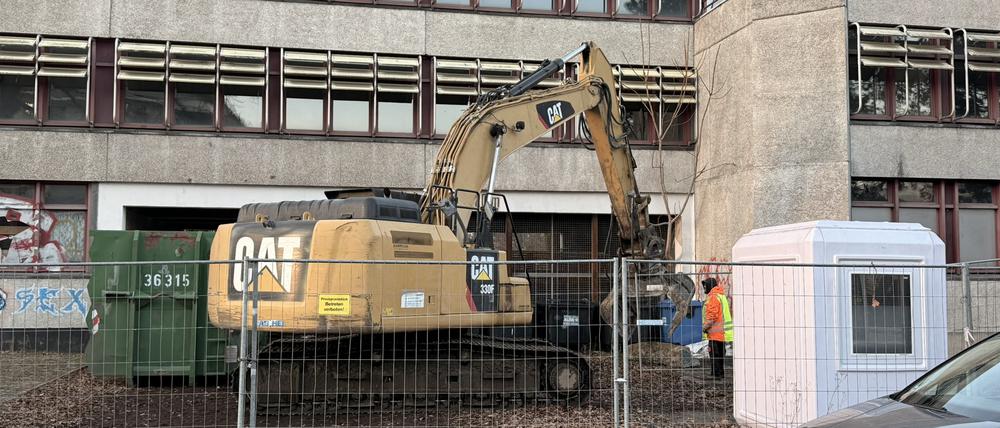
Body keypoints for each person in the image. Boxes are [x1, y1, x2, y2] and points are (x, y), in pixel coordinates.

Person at [702, 277, 733, 380]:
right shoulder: (721, 295)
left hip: (715, 331)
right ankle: (719, 374)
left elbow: (712, 316)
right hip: (721, 332)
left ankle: (716, 375)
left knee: (714, 354)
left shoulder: (713, 297)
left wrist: (705, 327)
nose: (704, 288)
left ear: (709, 286)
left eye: (705, 286)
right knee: (719, 354)